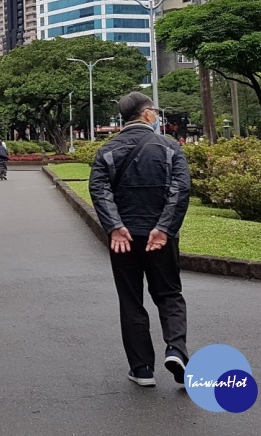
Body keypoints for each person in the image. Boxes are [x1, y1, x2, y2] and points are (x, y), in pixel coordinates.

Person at [89, 92, 191, 388]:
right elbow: (180, 189)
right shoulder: (171, 147)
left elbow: (99, 190)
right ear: (147, 115)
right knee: (169, 294)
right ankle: (177, 350)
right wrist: (164, 227)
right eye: (155, 111)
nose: (157, 116)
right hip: (160, 237)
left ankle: (142, 368)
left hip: (123, 238)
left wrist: (115, 226)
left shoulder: (107, 150)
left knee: (131, 299)